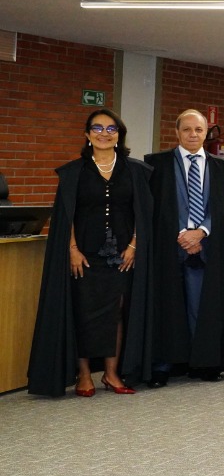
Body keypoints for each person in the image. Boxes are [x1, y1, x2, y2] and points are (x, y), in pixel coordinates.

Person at [27, 109, 154, 397]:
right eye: (97, 128)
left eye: (111, 129)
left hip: (122, 255)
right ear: (87, 135)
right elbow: (67, 216)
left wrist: (134, 245)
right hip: (84, 254)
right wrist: (71, 248)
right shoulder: (74, 173)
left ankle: (111, 373)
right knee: (82, 311)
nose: (104, 133)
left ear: (119, 135)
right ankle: (84, 375)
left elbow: (143, 214)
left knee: (118, 313)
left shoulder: (136, 171)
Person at [145, 109, 224, 385]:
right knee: (166, 307)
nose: (192, 135)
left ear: (206, 133)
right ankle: (164, 365)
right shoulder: (155, 165)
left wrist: (201, 231)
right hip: (169, 246)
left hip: (208, 247)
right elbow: (152, 208)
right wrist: (182, 234)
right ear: (176, 133)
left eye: (198, 130)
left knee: (203, 308)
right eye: (187, 129)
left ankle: (204, 363)